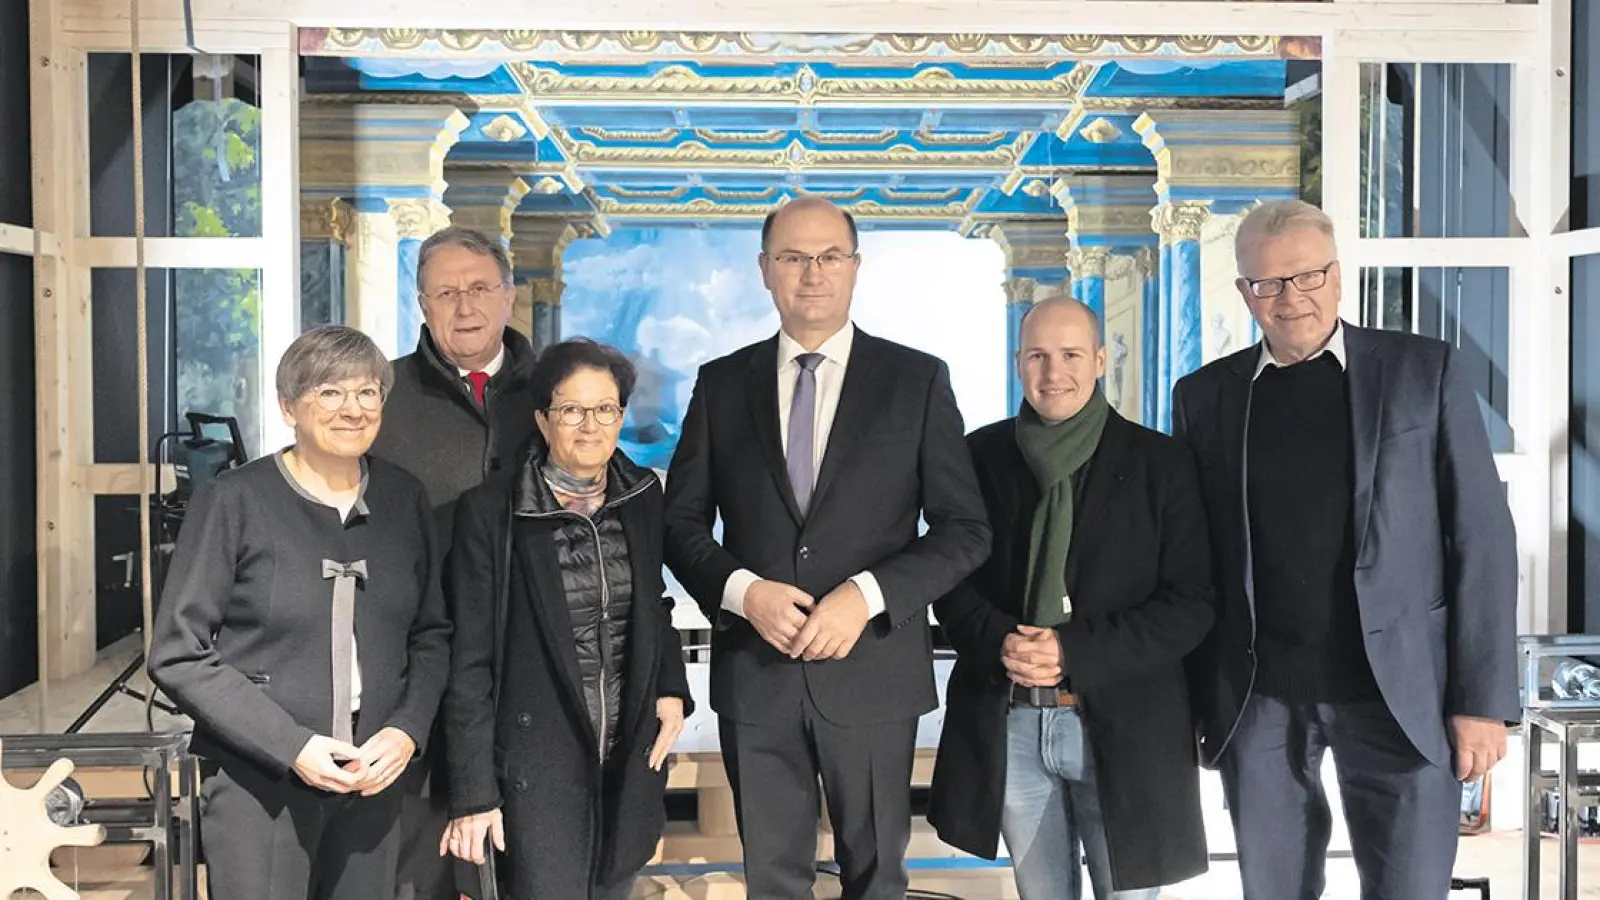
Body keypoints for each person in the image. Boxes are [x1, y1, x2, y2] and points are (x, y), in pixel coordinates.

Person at [1173, 198, 1519, 899]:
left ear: (1337, 275)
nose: (1290, 298)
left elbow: (1481, 536)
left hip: (1401, 694)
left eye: (1307, 276)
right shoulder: (1203, 396)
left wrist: (1482, 700)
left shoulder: (1422, 370)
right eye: (1268, 283)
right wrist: (1189, 701)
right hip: (1259, 697)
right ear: (1244, 291)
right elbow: (1192, 557)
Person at [662, 197, 991, 899]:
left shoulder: (916, 380)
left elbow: (965, 530)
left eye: (828, 256)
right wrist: (743, 593)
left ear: (854, 267)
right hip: (757, 674)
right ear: (764, 269)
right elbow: (679, 524)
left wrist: (866, 597)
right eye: (793, 257)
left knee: (876, 880)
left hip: (872, 671)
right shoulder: (722, 383)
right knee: (771, 882)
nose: (812, 273)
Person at [148, 325, 451, 900]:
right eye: (329, 392)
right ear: (289, 407)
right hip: (258, 780)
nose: (353, 410)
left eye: (367, 393)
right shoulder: (234, 499)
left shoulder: (403, 498)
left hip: (373, 777)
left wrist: (406, 731)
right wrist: (292, 745)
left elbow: (432, 634)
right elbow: (177, 653)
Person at [929, 298, 1214, 900]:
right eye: (1037, 356)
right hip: (1010, 722)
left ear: (1101, 361)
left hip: (1126, 725)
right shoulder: (978, 459)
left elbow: (1191, 604)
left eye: (1071, 355)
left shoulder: (1162, 463)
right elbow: (950, 581)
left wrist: (1070, 651)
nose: (1053, 372)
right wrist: (1001, 641)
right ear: (1018, 362)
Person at [441, 338, 693, 900]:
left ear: (621, 416)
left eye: (605, 409)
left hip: (626, 753)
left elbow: (653, 605)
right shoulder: (493, 513)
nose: (590, 425)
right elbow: (470, 662)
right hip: (537, 766)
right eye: (572, 410)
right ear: (542, 418)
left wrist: (671, 688)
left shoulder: (642, 495)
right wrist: (473, 793)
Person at [369, 225, 542, 900]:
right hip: (413, 669)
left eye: (479, 288)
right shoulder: (380, 397)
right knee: (419, 867)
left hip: (533, 664)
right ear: (422, 304)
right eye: (446, 293)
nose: (465, 306)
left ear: (509, 295)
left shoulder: (557, 394)